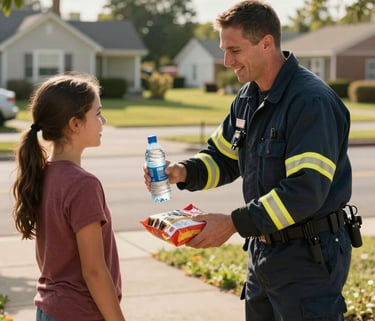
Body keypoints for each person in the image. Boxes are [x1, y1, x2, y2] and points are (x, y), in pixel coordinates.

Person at [144, 1, 359, 320]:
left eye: (235, 50)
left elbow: (304, 191)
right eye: (224, 50)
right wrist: (183, 172)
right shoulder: (247, 97)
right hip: (262, 253)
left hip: (308, 259)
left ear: (267, 43)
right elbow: (224, 157)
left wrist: (233, 223)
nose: (227, 61)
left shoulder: (311, 102)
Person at [12, 72, 127, 321]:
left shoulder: (42, 175)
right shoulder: (83, 185)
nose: (103, 120)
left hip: (48, 309)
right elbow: (94, 271)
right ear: (75, 124)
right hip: (80, 313)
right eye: (97, 113)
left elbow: (45, 258)